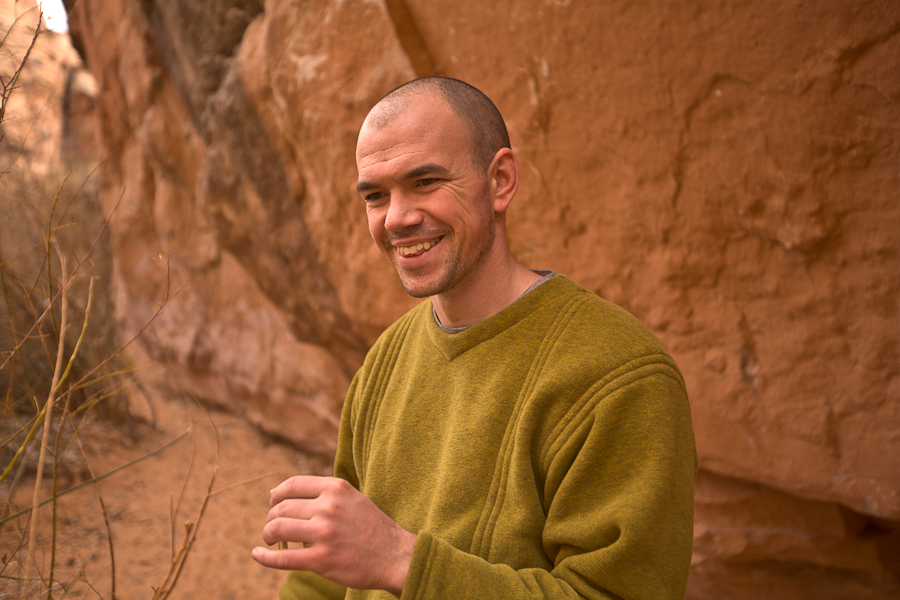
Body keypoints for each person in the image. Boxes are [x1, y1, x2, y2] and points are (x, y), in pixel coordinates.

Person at [252, 77, 697, 600]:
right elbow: (327, 574)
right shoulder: (387, 357)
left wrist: (401, 559)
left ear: (501, 181)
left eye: (425, 182)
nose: (396, 218)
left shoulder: (620, 375)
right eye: (376, 195)